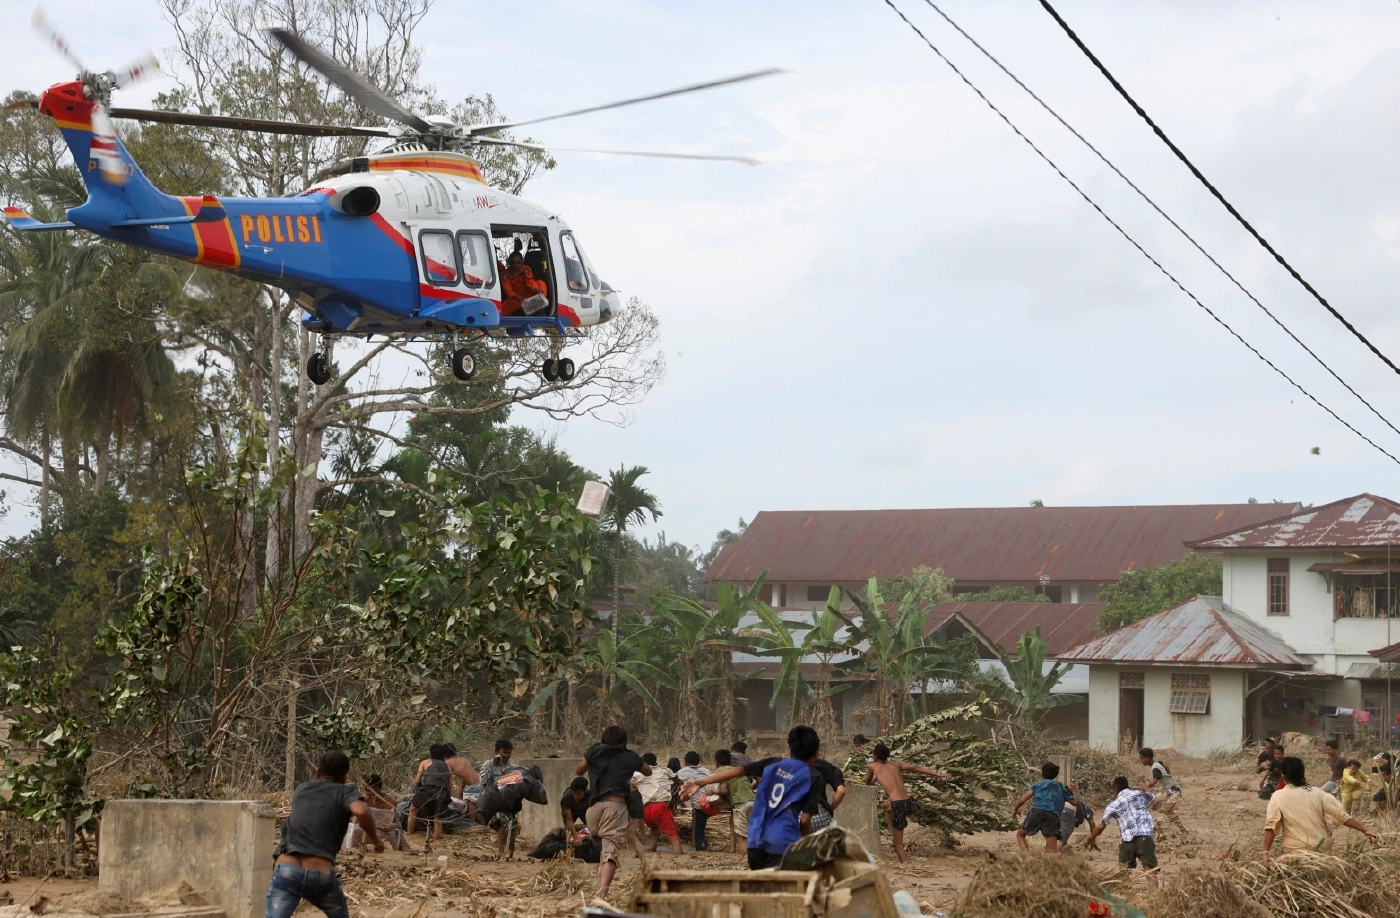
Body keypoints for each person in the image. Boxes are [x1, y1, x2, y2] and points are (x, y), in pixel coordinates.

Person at [680, 725, 828, 870]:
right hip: (780, 843)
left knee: (760, 883)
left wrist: (699, 782)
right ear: (816, 754)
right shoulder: (814, 778)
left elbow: (737, 771)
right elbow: (805, 819)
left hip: (756, 842)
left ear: (790, 752)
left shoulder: (773, 763)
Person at [268, 751, 381, 918]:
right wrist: (376, 841)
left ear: (318, 772)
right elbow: (362, 812)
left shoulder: (301, 789)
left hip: (286, 869)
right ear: (344, 777)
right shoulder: (345, 792)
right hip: (318, 874)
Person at [576, 725, 648, 898]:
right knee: (611, 854)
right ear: (624, 742)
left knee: (604, 851)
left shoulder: (594, 753)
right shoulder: (629, 756)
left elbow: (579, 771)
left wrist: (594, 751)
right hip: (615, 807)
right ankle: (601, 896)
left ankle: (598, 888)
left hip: (593, 810)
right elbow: (648, 771)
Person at [1263, 756, 1378, 861]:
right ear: (1303, 774)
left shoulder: (1277, 796)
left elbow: (1271, 827)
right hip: (1322, 847)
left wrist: (1265, 853)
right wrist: (1365, 829)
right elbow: (1342, 815)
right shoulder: (1318, 793)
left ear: (1283, 777)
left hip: (1295, 850)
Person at [864, 742, 949, 863]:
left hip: (898, 806)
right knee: (885, 806)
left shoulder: (872, 766)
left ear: (875, 756)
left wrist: (874, 778)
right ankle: (891, 828)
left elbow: (867, 783)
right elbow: (917, 768)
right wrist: (939, 775)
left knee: (898, 845)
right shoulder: (896, 764)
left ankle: (906, 866)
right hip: (910, 803)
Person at [1082, 776, 1158, 887]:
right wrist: (1147, 788)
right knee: (1150, 870)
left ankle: (1124, 894)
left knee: (1122, 873)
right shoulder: (1138, 794)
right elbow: (1152, 798)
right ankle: (1155, 898)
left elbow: (1101, 826)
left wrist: (1090, 838)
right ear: (1128, 786)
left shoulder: (1113, 805)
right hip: (1145, 836)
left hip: (1127, 840)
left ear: (1115, 790)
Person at [1011, 762, 1071, 853]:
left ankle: (1028, 857)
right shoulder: (1060, 786)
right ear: (1055, 775)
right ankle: (1053, 864)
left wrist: (1015, 809)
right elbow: (1074, 802)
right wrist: (1073, 792)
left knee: (1020, 834)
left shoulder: (1037, 785)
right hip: (1053, 816)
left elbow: (1023, 799)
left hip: (1037, 812)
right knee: (1052, 851)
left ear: (1042, 774)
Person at [634, 752, 681, 855]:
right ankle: (678, 857)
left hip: (645, 811)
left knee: (654, 827)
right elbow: (676, 777)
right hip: (660, 807)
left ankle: (653, 846)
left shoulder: (636, 775)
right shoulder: (665, 770)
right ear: (656, 763)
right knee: (675, 838)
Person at [407, 744, 453, 838]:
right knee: (438, 817)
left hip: (428, 789)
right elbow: (449, 786)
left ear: (431, 753)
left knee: (413, 809)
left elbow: (417, 780)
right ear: (443, 755)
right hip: (442, 791)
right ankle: (437, 837)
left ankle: (409, 833)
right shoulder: (448, 767)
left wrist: (419, 787)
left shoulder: (425, 762)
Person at [675, 751, 713, 851]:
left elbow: (674, 783)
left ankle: (700, 848)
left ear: (685, 762)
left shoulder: (682, 772)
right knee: (701, 826)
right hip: (712, 803)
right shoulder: (707, 771)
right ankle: (704, 844)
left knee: (698, 829)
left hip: (699, 805)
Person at [499, 251, 549, 316]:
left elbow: (530, 282)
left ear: (521, 262)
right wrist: (514, 296)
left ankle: (540, 301)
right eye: (513, 263)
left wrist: (535, 289)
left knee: (541, 283)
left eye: (518, 263)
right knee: (500, 312)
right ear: (509, 263)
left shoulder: (526, 269)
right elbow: (508, 289)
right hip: (516, 299)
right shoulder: (505, 274)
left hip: (530, 298)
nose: (515, 265)